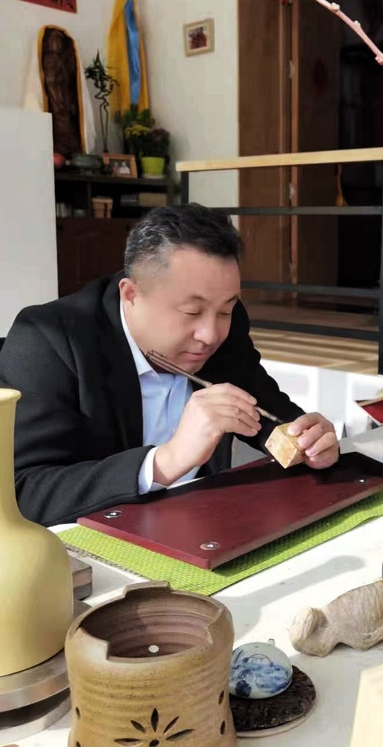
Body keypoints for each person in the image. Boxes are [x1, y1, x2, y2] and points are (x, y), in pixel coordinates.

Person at [0, 204, 339, 526]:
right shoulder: (48, 340)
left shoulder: (226, 327)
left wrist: (308, 439)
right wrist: (167, 460)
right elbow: (23, 490)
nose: (210, 334)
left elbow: (261, 406)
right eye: (192, 311)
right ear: (131, 295)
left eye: (225, 310)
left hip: (202, 524)